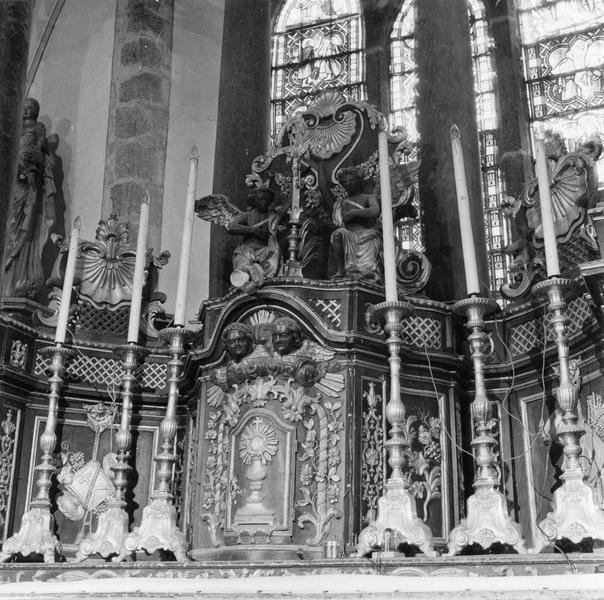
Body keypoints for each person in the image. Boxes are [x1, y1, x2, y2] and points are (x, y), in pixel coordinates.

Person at [2, 98, 55, 299]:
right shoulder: (14, 129)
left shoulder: (38, 128)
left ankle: (13, 277)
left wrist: (29, 162)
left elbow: (41, 154)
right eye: (23, 107)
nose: (25, 110)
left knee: (19, 226)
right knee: (8, 227)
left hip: (26, 185)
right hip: (12, 184)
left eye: (29, 107)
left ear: (36, 111)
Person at [330, 167, 382, 282]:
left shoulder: (368, 197)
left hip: (365, 231)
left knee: (371, 236)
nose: (348, 184)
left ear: (359, 181)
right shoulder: (340, 203)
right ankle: (341, 270)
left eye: (351, 181)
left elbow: (375, 211)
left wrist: (355, 213)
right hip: (348, 233)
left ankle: (367, 271)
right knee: (337, 234)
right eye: (345, 182)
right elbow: (338, 222)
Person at [227, 187, 282, 292]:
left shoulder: (272, 216)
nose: (264, 202)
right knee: (243, 267)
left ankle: (255, 281)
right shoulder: (248, 215)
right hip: (246, 251)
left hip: (265, 251)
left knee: (272, 259)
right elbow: (231, 227)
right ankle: (246, 281)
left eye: (267, 199)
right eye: (261, 199)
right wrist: (252, 230)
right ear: (254, 200)